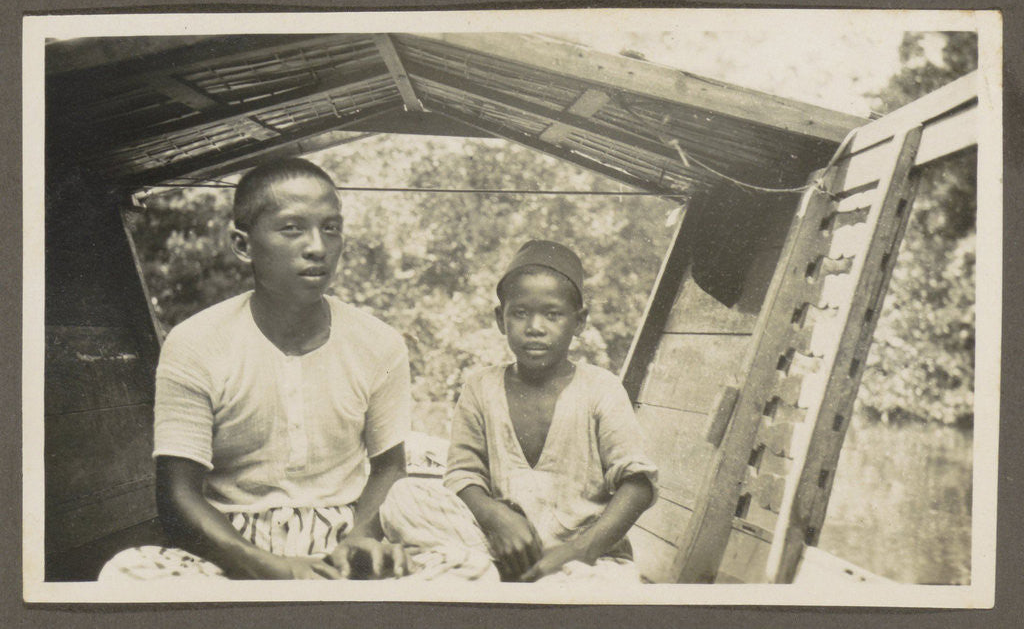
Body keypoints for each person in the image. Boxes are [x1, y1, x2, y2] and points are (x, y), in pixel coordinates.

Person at [100, 158, 411, 581]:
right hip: (229, 545)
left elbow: (390, 467)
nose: (317, 246)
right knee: (127, 574)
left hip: (346, 536)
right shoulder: (196, 343)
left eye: (331, 227)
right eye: (292, 228)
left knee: (466, 568)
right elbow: (178, 494)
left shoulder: (379, 343)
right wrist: (271, 566)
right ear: (243, 244)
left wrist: (360, 537)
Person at [380, 240, 658, 583]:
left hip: (582, 555)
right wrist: (497, 518)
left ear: (579, 321)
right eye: (520, 313)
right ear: (501, 318)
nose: (535, 327)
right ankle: (493, 570)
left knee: (606, 585)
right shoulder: (481, 387)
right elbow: (463, 476)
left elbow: (638, 484)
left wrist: (580, 550)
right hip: (499, 544)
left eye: (553, 314)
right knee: (402, 497)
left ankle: (495, 575)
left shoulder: (601, 389)